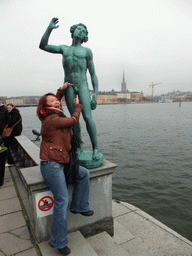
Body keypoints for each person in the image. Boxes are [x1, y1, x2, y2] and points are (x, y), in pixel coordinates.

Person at [37, 82, 94, 255]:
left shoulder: (52, 113)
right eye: (52, 101)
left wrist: (60, 91)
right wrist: (78, 106)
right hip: (51, 165)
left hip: (61, 161)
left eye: (56, 100)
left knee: (84, 174)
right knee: (61, 200)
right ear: (45, 106)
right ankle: (58, 241)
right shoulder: (52, 119)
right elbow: (73, 120)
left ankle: (80, 206)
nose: (56, 102)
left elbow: (57, 103)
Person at [39, 17, 101, 161]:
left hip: (83, 85)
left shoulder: (87, 51)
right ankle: (78, 148)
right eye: (79, 28)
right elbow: (43, 45)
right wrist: (49, 29)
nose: (81, 31)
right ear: (73, 32)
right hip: (69, 87)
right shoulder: (64, 49)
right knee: (74, 120)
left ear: (85, 36)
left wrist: (95, 95)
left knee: (87, 117)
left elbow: (93, 75)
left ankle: (95, 148)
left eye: (84, 30)